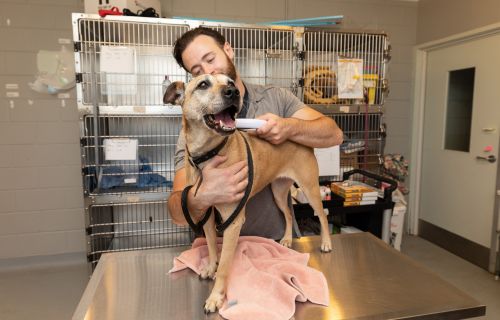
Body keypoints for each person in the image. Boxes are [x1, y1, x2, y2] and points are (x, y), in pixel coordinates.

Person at [167, 27, 343, 240]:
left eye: (210, 59)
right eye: (197, 71)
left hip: (276, 243)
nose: (208, 71)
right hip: (221, 250)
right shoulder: (194, 131)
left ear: (228, 50)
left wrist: (288, 127)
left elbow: (334, 134)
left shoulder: (276, 99)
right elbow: (177, 214)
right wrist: (200, 196)